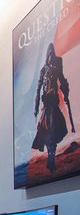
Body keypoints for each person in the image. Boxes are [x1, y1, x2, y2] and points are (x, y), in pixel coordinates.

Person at [32, 42, 74, 172]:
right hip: (47, 106)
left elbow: (62, 81)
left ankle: (51, 160)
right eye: (49, 54)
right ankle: (51, 160)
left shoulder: (56, 68)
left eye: (52, 54)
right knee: (47, 132)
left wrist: (65, 93)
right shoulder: (43, 70)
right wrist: (36, 107)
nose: (51, 56)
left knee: (54, 131)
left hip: (53, 105)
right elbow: (38, 89)